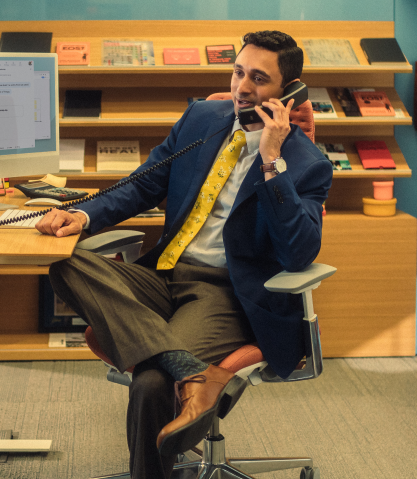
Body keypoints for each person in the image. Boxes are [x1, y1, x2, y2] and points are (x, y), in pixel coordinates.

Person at [36, 30, 332, 479]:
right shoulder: (200, 118)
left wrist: (272, 162)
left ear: (288, 93)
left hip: (223, 291)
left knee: (152, 383)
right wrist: (84, 216)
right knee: (68, 262)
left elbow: (298, 252)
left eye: (259, 79)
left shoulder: (307, 164)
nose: (243, 88)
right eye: (237, 72)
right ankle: (191, 372)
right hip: (163, 273)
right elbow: (142, 184)